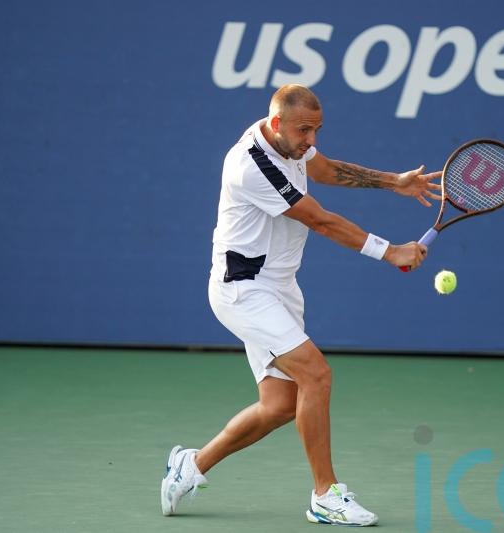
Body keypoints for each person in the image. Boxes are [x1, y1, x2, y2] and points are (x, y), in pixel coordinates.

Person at [161, 84, 441, 526]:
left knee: (279, 406)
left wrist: (395, 182)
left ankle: (191, 465)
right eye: (304, 130)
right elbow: (321, 220)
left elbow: (327, 169)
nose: (312, 140)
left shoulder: (293, 144)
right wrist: (391, 251)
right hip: (243, 289)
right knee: (317, 374)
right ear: (276, 125)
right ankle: (325, 495)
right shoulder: (250, 164)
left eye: (317, 129)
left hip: (280, 288)